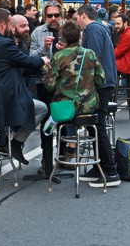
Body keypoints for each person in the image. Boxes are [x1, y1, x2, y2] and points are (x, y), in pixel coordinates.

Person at [0, 9, 48, 165]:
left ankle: (5, 140)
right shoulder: (5, 44)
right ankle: (17, 142)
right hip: (3, 102)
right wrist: (42, 60)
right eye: (10, 24)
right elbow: (26, 61)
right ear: (3, 24)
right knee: (42, 108)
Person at [43, 20, 105, 162]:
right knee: (75, 108)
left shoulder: (59, 56)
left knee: (67, 108)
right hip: (90, 107)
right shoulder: (90, 54)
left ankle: (71, 143)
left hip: (66, 110)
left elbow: (49, 85)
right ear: (80, 36)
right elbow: (101, 80)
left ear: (63, 37)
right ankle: (73, 144)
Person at [76, 4, 120, 187]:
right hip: (106, 82)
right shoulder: (100, 28)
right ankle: (99, 165)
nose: (76, 21)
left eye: (77, 17)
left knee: (97, 125)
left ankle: (110, 171)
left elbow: (92, 58)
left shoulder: (92, 29)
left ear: (83, 15)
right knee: (94, 124)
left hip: (101, 84)